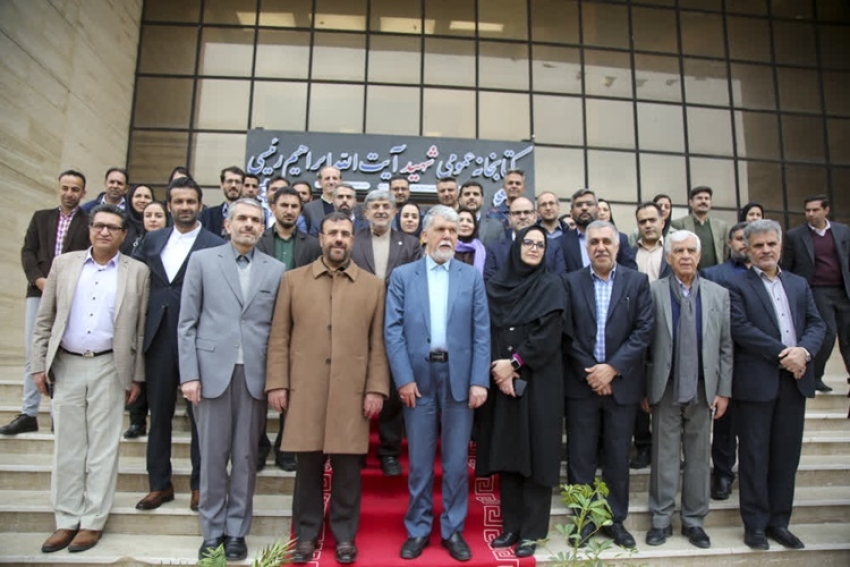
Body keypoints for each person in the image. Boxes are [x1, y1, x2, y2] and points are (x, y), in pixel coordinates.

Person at [266, 212, 390, 565]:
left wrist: (375, 389)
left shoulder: (372, 286)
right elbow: (279, 337)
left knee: (348, 470)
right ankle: (306, 536)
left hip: (352, 391)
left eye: (345, 234)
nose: (338, 239)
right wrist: (277, 383)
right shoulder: (293, 281)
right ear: (320, 238)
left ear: (353, 240)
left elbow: (378, 344)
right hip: (305, 389)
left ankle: (345, 536)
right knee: (307, 469)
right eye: (332, 233)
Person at [32, 204, 150, 554]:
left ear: (124, 235)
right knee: (67, 447)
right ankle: (66, 519)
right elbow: (45, 318)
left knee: (103, 448)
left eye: (112, 227)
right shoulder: (64, 265)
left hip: (110, 367)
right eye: (99, 225)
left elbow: (140, 330)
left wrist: (136, 377)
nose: (104, 232)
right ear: (89, 229)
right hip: (66, 364)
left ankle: (93, 521)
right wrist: (38, 365)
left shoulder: (137, 272)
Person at [177, 199, 284, 561]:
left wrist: (275, 378)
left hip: (254, 375)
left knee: (245, 456)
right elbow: (186, 323)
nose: (248, 225)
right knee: (212, 457)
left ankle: (237, 530)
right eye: (242, 218)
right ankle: (211, 531)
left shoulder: (275, 269)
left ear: (262, 228)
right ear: (227, 224)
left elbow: (277, 330)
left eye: (255, 220)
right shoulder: (202, 261)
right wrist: (189, 375)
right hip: (210, 375)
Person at [385, 206, 490, 562]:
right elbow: (393, 330)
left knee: (457, 463)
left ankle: (453, 529)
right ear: (425, 235)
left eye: (453, 230)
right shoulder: (403, 276)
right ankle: (418, 528)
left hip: (459, 378)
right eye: (441, 229)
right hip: (419, 378)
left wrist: (479, 380)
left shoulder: (470, 277)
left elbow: (481, 331)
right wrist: (403, 378)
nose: (447, 236)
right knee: (419, 463)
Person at [728, 219, 825, 551]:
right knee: (755, 456)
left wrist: (804, 352)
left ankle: (779, 522)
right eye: (758, 245)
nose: (766, 250)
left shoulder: (799, 284)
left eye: (771, 244)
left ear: (780, 246)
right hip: (757, 384)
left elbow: (817, 324)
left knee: (786, 456)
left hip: (795, 383)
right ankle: (755, 525)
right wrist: (785, 354)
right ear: (747, 249)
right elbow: (741, 328)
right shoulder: (736, 285)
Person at [134, 176, 224, 513]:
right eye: (179, 201)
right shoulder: (152, 240)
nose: (185, 207)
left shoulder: (215, 244)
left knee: (201, 418)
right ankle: (159, 484)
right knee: (159, 415)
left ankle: (200, 485)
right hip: (158, 337)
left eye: (190, 201)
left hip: (200, 341)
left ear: (200, 205)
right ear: (169, 205)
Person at [562, 220, 653, 549]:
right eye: (594, 242)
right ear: (586, 247)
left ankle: (615, 520)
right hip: (582, 385)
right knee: (580, 457)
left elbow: (644, 330)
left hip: (621, 385)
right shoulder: (570, 282)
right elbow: (566, 333)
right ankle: (583, 521)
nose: (600, 247)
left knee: (617, 457)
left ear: (617, 246)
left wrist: (612, 369)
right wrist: (593, 371)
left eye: (606, 241)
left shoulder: (637, 281)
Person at [476, 226, 565, 558]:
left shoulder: (552, 285)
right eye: (528, 242)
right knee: (508, 452)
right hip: (502, 382)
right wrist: (500, 370)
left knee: (538, 455)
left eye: (540, 244)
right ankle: (510, 526)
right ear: (516, 246)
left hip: (540, 382)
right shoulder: (495, 286)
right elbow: (487, 329)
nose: (534, 248)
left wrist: (514, 363)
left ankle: (532, 531)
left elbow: (549, 334)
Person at [644, 231, 733, 550]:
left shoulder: (719, 294)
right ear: (668, 257)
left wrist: (723, 390)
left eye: (691, 250)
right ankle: (661, 519)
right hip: (665, 387)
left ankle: (694, 521)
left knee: (698, 457)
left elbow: (725, 346)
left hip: (703, 388)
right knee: (664, 456)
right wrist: (644, 389)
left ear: (699, 256)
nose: (685, 256)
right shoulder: (652, 291)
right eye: (678, 251)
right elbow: (644, 344)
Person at [1, 170, 91, 436]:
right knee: (35, 352)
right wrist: (40, 280)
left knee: (61, 354)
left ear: (83, 193)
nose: (69, 193)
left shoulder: (89, 223)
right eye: (65, 188)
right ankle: (29, 413)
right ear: (58, 188)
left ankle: (57, 413)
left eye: (75, 189)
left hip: (72, 295)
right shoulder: (41, 218)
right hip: (38, 292)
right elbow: (28, 251)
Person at [350, 190, 422, 478]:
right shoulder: (354, 241)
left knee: (392, 390)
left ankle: (389, 452)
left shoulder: (411, 244)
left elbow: (416, 284)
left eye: (386, 206)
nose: (381, 210)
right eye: (375, 206)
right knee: (356, 387)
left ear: (394, 212)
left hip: (397, 325)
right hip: (358, 324)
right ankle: (355, 450)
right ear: (366, 212)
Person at [255, 187, 323, 472]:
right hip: (260, 322)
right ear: (273, 207)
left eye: (295, 206)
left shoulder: (312, 246)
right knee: (259, 389)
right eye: (284, 205)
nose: (289, 210)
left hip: (298, 326)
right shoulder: (258, 241)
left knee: (294, 390)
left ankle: (286, 447)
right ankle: (259, 446)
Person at [702, 222, 751, 501]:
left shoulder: (773, 276)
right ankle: (722, 474)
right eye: (739, 238)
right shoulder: (713, 274)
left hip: (760, 363)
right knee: (725, 424)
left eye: (749, 238)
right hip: (725, 360)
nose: (745, 243)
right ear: (730, 243)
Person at [781, 195, 850, 394]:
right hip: (817, 290)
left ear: (826, 210)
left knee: (848, 336)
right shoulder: (795, 235)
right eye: (807, 210)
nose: (810, 214)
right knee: (827, 333)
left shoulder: (842, 231)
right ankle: (816, 375)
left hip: (843, 290)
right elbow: (787, 266)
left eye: (815, 210)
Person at [628, 202, 673, 470]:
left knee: (669, 387)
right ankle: (644, 445)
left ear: (662, 221)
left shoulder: (675, 250)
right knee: (639, 388)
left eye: (652, 220)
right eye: (642, 221)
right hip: (637, 328)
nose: (647, 225)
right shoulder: (629, 253)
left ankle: (670, 448)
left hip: (670, 327)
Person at [484, 196, 566, 281]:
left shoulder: (553, 247)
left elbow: (560, 281)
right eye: (517, 213)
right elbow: (490, 283)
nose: (522, 217)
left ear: (535, 217)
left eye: (527, 212)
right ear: (509, 219)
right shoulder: (495, 250)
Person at [558, 189, 636, 273]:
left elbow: (630, 273)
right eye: (579, 205)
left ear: (597, 209)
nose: (584, 208)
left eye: (589, 204)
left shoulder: (619, 238)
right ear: (571, 213)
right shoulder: (560, 243)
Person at [670, 186, 729, 270]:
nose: (703, 201)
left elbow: (726, 252)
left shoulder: (721, 226)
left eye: (707, 198)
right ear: (691, 202)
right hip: (689, 272)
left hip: (716, 273)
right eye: (699, 198)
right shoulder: (678, 224)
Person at [199, 166, 244, 238]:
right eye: (229, 181)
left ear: (243, 186)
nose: (233, 185)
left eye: (237, 182)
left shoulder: (252, 215)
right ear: (222, 185)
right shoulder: (207, 215)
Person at [459, 181, 504, 246]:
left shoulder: (496, 226)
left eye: (476, 194)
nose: (471, 197)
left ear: (482, 200)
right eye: (467, 194)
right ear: (460, 200)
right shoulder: (450, 224)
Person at [303, 165, 341, 235]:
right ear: (320, 182)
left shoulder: (347, 206)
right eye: (327, 178)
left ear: (340, 181)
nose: (331, 182)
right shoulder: (309, 208)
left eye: (335, 178)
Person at [121, 184, 156, 254]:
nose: (142, 200)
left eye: (147, 197)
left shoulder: (157, 224)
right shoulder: (121, 223)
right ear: (130, 199)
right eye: (138, 196)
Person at [455, 208, 486, 276]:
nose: (464, 224)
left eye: (469, 221)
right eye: (460, 220)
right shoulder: (446, 247)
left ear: (474, 227)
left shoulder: (482, 250)